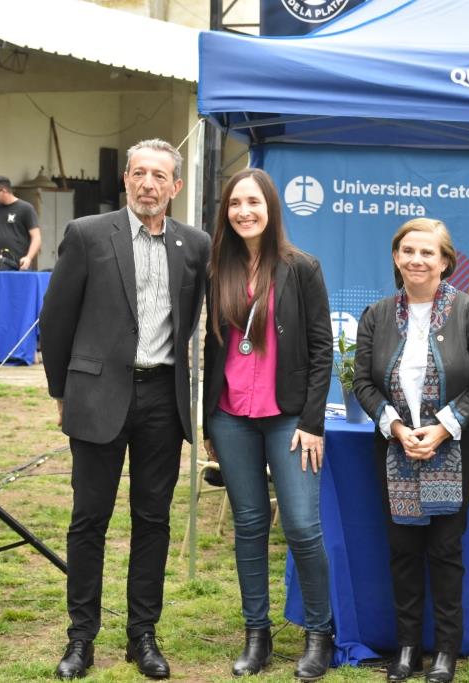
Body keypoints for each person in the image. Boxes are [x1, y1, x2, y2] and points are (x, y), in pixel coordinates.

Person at [39, 139, 210, 680]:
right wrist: (61, 393)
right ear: (127, 181)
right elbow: (57, 319)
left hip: (163, 397)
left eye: (159, 176)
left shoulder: (196, 245)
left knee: (152, 519)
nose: (148, 184)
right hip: (97, 394)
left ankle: (143, 636)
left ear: (175, 187)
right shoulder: (88, 235)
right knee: (89, 519)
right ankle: (80, 639)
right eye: (139, 173)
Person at [202, 168, 335, 680]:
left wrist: (312, 421)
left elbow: (322, 349)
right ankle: (256, 636)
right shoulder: (219, 268)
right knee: (250, 525)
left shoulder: (301, 267)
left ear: (271, 207)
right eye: (235, 203)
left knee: (302, 527)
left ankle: (318, 635)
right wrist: (208, 423)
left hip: (289, 420)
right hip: (231, 417)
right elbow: (214, 350)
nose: (244, 212)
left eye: (253, 202)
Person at [353, 218, 469, 683]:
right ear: (396, 258)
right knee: (401, 549)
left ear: (445, 262)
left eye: (427, 252)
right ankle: (407, 647)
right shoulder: (377, 315)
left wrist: (442, 428)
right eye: (408, 251)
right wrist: (394, 426)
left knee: (445, 548)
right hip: (395, 446)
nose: (417, 259)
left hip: (453, 447)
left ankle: (446, 651)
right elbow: (361, 381)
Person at [0, 175, 41, 269]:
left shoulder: (25, 208)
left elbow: (36, 237)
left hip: (20, 264)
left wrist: (28, 257)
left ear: (4, 190)